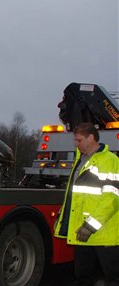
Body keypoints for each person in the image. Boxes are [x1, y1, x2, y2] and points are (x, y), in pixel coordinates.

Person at [54, 122, 119, 286]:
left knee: (113, 278)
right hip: (82, 232)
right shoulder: (80, 159)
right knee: (82, 277)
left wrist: (89, 226)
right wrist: (64, 217)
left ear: (91, 138)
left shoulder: (110, 161)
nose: (76, 144)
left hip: (103, 234)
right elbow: (74, 196)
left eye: (79, 140)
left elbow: (112, 199)